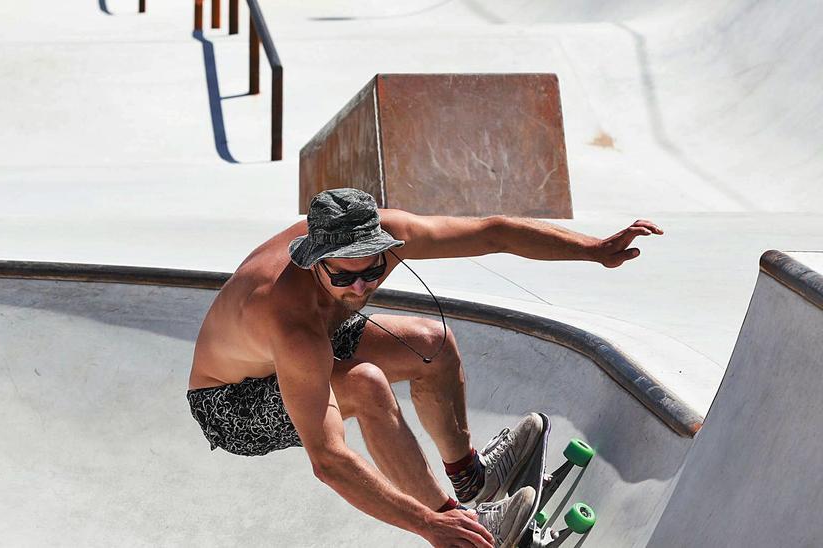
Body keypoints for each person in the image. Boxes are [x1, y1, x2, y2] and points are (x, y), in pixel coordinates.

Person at [186, 188, 662, 547]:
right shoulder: (291, 324)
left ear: (383, 245)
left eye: (372, 271)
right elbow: (328, 460)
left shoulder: (391, 235)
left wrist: (594, 250)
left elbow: (493, 232)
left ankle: (474, 478)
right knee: (367, 385)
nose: (359, 289)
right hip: (232, 404)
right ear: (315, 263)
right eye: (343, 277)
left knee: (431, 344)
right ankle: (462, 524)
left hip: (308, 343)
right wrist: (429, 525)